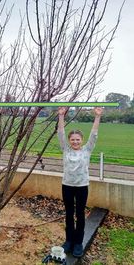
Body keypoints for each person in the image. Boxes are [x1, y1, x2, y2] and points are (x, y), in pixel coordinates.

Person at [57, 106, 103, 257]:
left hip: (82, 186)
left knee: (80, 214)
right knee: (69, 214)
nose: (75, 142)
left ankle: (78, 243)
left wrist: (97, 117)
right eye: (73, 139)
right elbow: (61, 133)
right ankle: (69, 241)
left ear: (82, 140)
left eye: (78, 140)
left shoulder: (87, 150)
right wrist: (61, 116)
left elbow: (94, 135)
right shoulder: (66, 149)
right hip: (67, 186)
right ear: (69, 141)